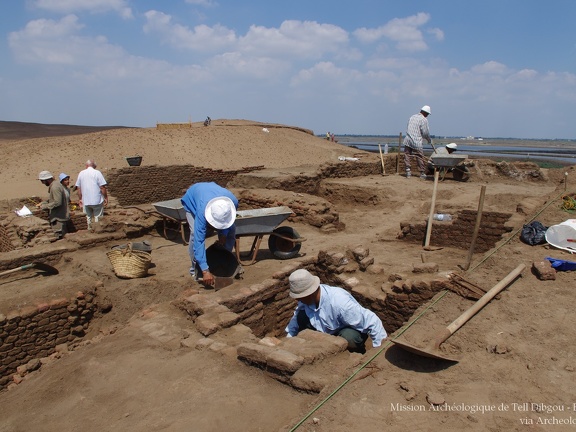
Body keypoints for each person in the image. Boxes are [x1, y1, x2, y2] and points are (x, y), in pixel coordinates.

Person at [285, 269, 387, 354]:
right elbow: (296, 316)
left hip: (345, 330)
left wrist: (378, 350)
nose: (298, 300)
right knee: (301, 317)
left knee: (350, 338)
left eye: (300, 297)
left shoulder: (340, 303)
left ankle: (355, 353)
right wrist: (289, 339)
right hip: (325, 330)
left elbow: (372, 320)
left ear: (311, 293)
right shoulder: (306, 300)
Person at [181, 182, 238, 287]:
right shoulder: (202, 212)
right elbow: (199, 240)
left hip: (209, 195)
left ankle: (224, 258)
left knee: (232, 230)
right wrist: (205, 271)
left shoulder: (233, 202)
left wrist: (223, 235)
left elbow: (227, 221)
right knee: (194, 234)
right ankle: (195, 270)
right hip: (193, 200)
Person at [75, 160, 108, 231]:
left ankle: (89, 230)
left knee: (88, 217)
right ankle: (97, 230)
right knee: (98, 217)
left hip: (86, 200)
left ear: (86, 165)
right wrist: (105, 197)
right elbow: (102, 187)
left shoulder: (81, 173)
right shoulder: (97, 173)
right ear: (94, 166)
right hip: (97, 200)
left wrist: (80, 199)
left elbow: (78, 188)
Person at [36, 170, 70, 240]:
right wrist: (44, 203)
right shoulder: (56, 184)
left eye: (42, 181)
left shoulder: (55, 187)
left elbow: (57, 202)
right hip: (60, 217)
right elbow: (53, 199)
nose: (42, 183)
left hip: (58, 218)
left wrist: (44, 207)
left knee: (60, 240)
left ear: (47, 180)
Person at [403, 105, 432, 179]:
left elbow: (408, 127)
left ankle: (408, 170)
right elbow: (425, 133)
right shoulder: (424, 120)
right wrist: (429, 140)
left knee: (407, 155)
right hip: (416, 141)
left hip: (408, 140)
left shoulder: (412, 117)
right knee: (419, 156)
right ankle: (422, 173)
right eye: (428, 114)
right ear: (426, 113)